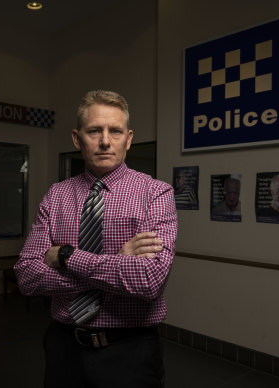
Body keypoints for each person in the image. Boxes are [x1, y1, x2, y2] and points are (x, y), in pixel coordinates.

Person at [14, 90, 177, 388]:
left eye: (115, 131)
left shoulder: (156, 193)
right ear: (77, 139)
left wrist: (66, 256)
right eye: (94, 131)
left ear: (128, 139)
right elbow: (26, 277)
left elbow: (149, 281)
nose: (105, 141)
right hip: (63, 348)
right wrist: (117, 263)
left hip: (130, 352)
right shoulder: (56, 196)